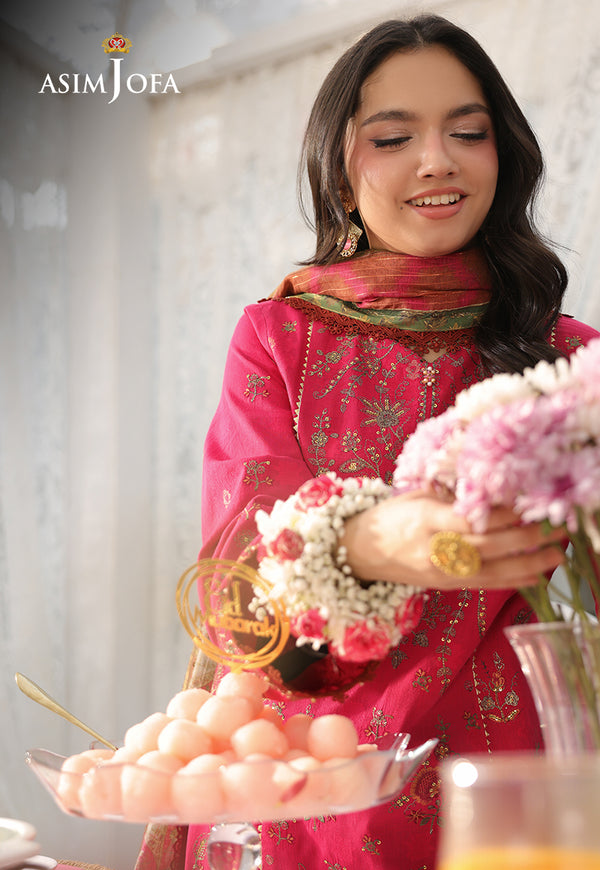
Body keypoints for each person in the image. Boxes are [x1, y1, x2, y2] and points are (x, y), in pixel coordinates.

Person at [136, 13, 599, 870]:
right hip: (318, 791)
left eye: (469, 133)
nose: (438, 160)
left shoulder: (573, 362)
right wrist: (370, 542)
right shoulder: (282, 338)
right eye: (393, 138)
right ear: (341, 177)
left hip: (515, 786)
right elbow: (236, 592)